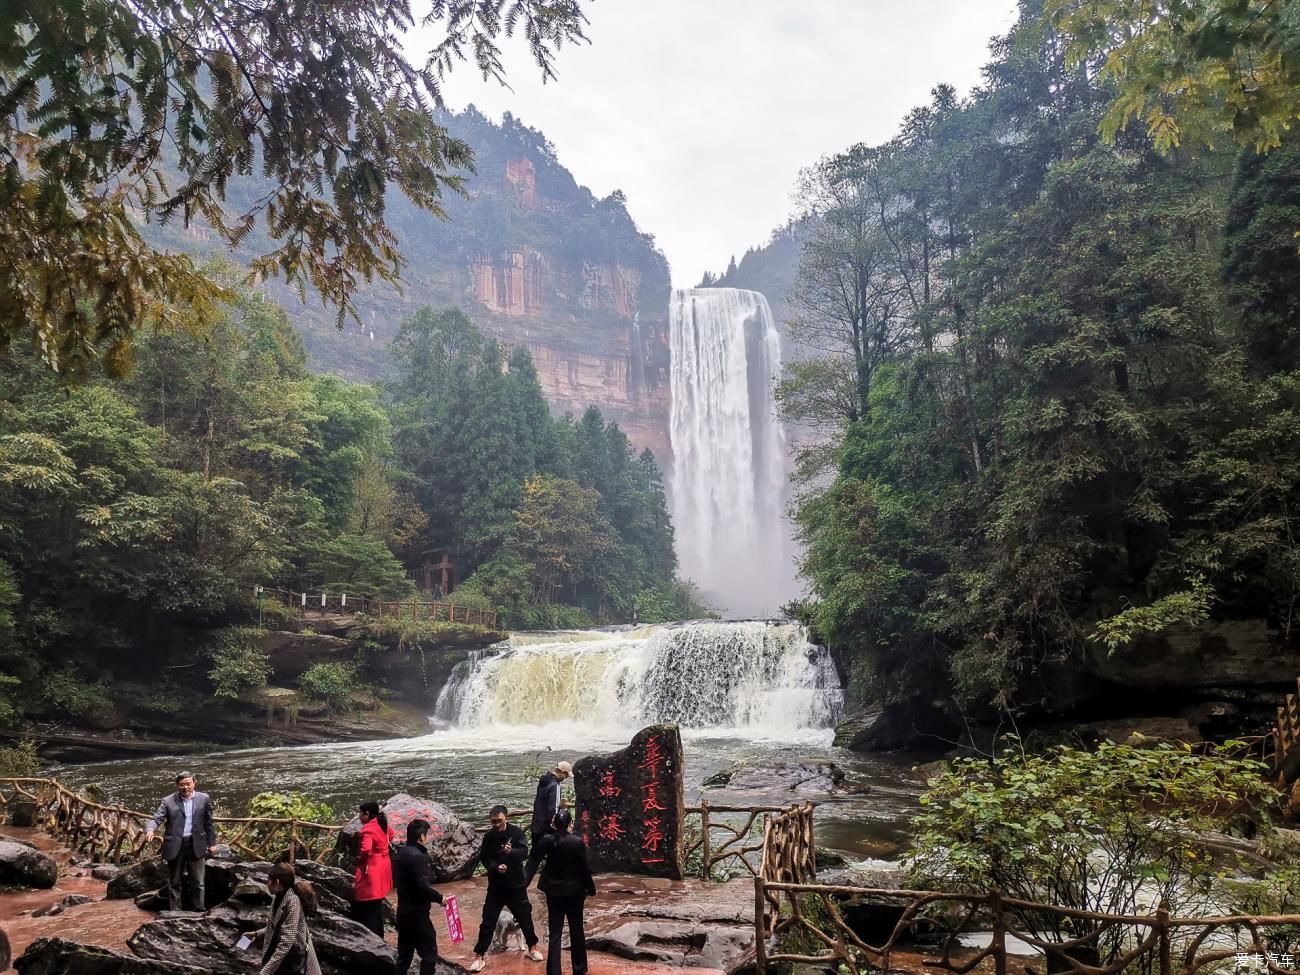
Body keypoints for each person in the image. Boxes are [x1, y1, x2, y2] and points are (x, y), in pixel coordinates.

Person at [470, 805, 542, 972]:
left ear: (506, 818)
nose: (496, 824)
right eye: (493, 821)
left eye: (499, 821)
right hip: (496, 885)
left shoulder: (516, 833)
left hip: (515, 883)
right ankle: (479, 955)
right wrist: (495, 867)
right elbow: (485, 859)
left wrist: (512, 852)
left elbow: (524, 852)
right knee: (488, 920)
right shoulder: (488, 837)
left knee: (524, 916)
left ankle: (533, 946)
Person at [143, 770, 218, 911]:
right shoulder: (168, 801)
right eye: (182, 785)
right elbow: (157, 818)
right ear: (177, 785)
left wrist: (212, 843)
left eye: (188, 784)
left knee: (198, 881)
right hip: (175, 845)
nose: (186, 788)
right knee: (175, 882)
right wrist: (150, 829)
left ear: (194, 783)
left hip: (196, 844)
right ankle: (175, 912)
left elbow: (209, 823)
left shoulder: (204, 798)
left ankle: (198, 910)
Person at [538, 811, 595, 975]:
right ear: (570, 823)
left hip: (553, 892)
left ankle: (553, 971)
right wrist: (590, 887)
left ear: (555, 824)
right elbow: (585, 868)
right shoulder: (577, 842)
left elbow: (534, 861)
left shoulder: (547, 841)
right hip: (574, 892)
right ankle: (579, 969)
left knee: (555, 932)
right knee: (576, 929)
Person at [393, 818, 444, 975]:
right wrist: (440, 898)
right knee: (429, 954)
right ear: (422, 836)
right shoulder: (417, 856)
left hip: (403, 913)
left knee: (404, 957)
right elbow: (423, 886)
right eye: (426, 835)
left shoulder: (401, 854)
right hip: (418, 915)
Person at [255, 862, 322, 975]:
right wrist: (256, 933)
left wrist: (265, 972)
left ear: (277, 883)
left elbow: (287, 941)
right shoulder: (278, 897)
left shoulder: (293, 901)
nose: (267, 884)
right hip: (281, 956)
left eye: (269, 881)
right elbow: (275, 926)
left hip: (291, 959)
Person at [352, 799, 393, 938]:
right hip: (384, 864)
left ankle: (372, 936)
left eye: (361, 813)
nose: (359, 816)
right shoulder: (382, 824)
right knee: (377, 902)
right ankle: (379, 934)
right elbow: (391, 835)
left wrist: (361, 862)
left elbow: (366, 849)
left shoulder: (368, 828)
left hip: (373, 868)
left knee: (368, 903)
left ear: (367, 814)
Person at [525, 761, 571, 886]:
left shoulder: (543, 781)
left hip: (536, 827)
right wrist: (559, 829)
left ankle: (520, 887)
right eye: (566, 776)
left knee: (533, 861)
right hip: (547, 830)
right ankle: (553, 886)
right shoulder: (554, 786)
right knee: (558, 857)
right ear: (561, 773)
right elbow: (553, 810)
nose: (565, 779)